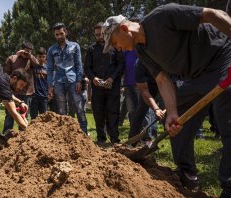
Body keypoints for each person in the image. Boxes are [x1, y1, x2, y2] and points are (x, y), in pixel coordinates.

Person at [103, 4, 231, 196]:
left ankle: (229, 186)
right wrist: (171, 112)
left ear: (124, 29)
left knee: (227, 118)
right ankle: (187, 174)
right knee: (175, 119)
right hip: (196, 76)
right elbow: (162, 80)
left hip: (222, 58)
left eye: (114, 43)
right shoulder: (143, 52)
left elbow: (213, 14)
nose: (117, 49)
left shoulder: (161, 17)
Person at [84, 22, 124, 145]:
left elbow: (121, 64)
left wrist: (112, 78)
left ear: (106, 32)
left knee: (113, 112)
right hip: (97, 87)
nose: (99, 37)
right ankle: (101, 138)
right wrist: (93, 78)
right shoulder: (91, 49)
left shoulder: (115, 46)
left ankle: (114, 139)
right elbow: (87, 67)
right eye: (96, 35)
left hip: (112, 86)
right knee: (98, 113)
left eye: (101, 34)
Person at [47, 22, 87, 134]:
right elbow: (49, 69)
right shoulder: (51, 50)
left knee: (79, 108)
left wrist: (79, 80)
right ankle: (64, 135)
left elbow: (79, 65)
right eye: (56, 34)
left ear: (66, 32)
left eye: (61, 33)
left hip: (73, 80)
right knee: (61, 110)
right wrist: (50, 85)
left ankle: (84, 134)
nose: (59, 36)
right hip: (59, 82)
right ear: (54, 35)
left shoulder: (75, 46)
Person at [3, 41, 38, 131]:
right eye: (26, 51)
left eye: (29, 51)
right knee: (10, 114)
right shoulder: (12, 58)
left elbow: (38, 65)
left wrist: (30, 56)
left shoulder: (31, 60)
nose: (27, 53)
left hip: (26, 92)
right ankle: (7, 134)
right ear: (21, 49)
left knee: (24, 115)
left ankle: (23, 136)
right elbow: (5, 74)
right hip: (13, 91)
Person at [128, 60, 164, 145]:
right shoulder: (139, 64)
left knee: (171, 112)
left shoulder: (165, 58)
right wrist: (156, 109)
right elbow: (144, 90)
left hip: (167, 82)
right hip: (149, 85)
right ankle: (131, 142)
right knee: (141, 112)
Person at [30, 47, 48, 119]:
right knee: (33, 117)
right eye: (39, 57)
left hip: (44, 96)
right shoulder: (33, 67)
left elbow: (49, 82)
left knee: (43, 118)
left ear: (45, 57)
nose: (41, 58)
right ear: (36, 56)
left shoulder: (48, 68)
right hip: (34, 96)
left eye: (43, 57)